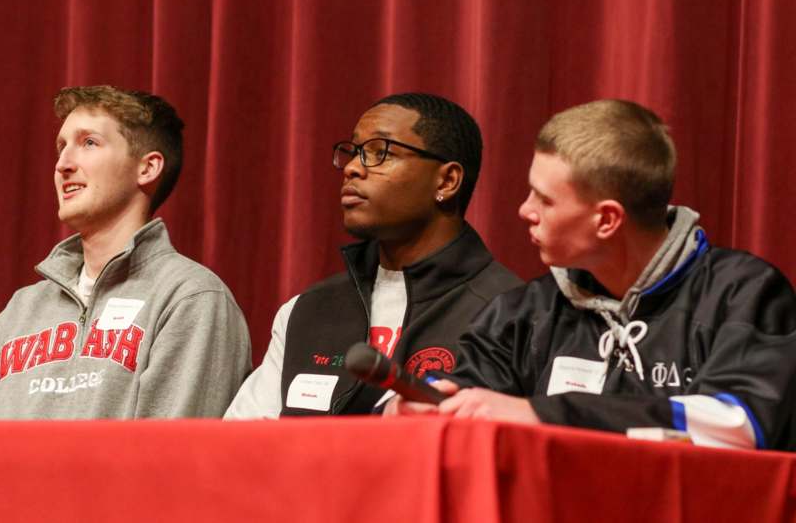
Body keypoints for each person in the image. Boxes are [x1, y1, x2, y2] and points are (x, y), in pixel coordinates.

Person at [387, 99, 796, 451]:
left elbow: (737, 422)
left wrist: (541, 414)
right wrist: (421, 406)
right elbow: (463, 391)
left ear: (607, 220)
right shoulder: (523, 312)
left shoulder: (744, 293)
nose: (525, 211)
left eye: (545, 200)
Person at [225, 92, 522, 418]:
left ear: (447, 181)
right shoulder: (307, 311)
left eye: (381, 153)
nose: (352, 168)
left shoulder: (511, 314)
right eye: (354, 153)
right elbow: (242, 438)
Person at [0, 85, 251, 418]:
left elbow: (176, 447)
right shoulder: (20, 311)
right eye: (61, 147)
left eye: (89, 143)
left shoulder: (190, 297)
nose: (63, 164)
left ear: (147, 169)